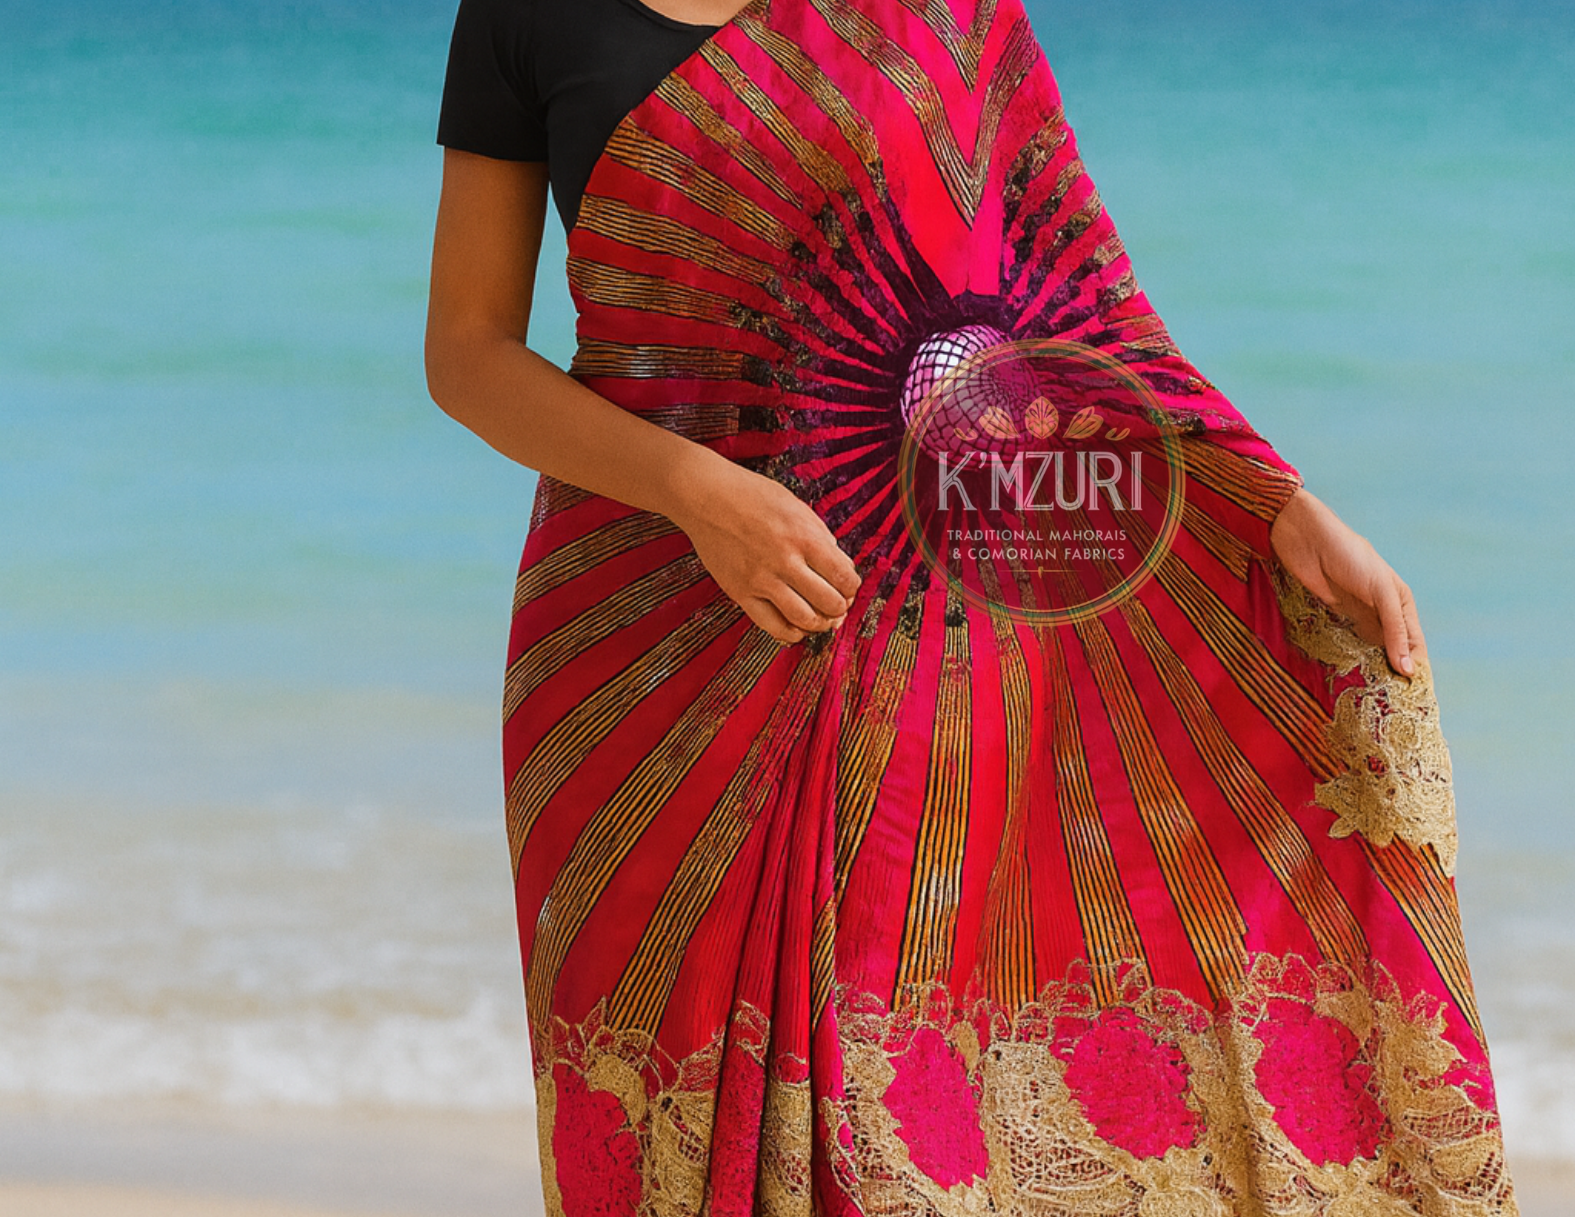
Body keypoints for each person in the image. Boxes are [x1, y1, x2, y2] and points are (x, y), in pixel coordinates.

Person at [425, 0, 1520, 1212]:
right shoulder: (524, 12)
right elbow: (467, 352)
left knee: (891, 1140)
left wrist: (1275, 501)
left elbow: (1077, 303)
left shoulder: (945, 13)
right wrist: (698, 492)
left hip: (915, 646)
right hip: (635, 665)